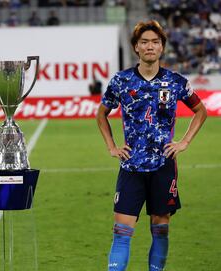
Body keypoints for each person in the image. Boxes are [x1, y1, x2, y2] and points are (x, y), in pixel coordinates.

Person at [96, 20, 207, 271]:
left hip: (164, 167)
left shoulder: (176, 81)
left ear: (162, 48)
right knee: (122, 233)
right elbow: (101, 114)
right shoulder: (121, 81)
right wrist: (112, 147)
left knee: (161, 230)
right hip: (131, 167)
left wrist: (185, 141)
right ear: (136, 47)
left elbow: (200, 111)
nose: (150, 46)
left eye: (155, 42)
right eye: (144, 42)